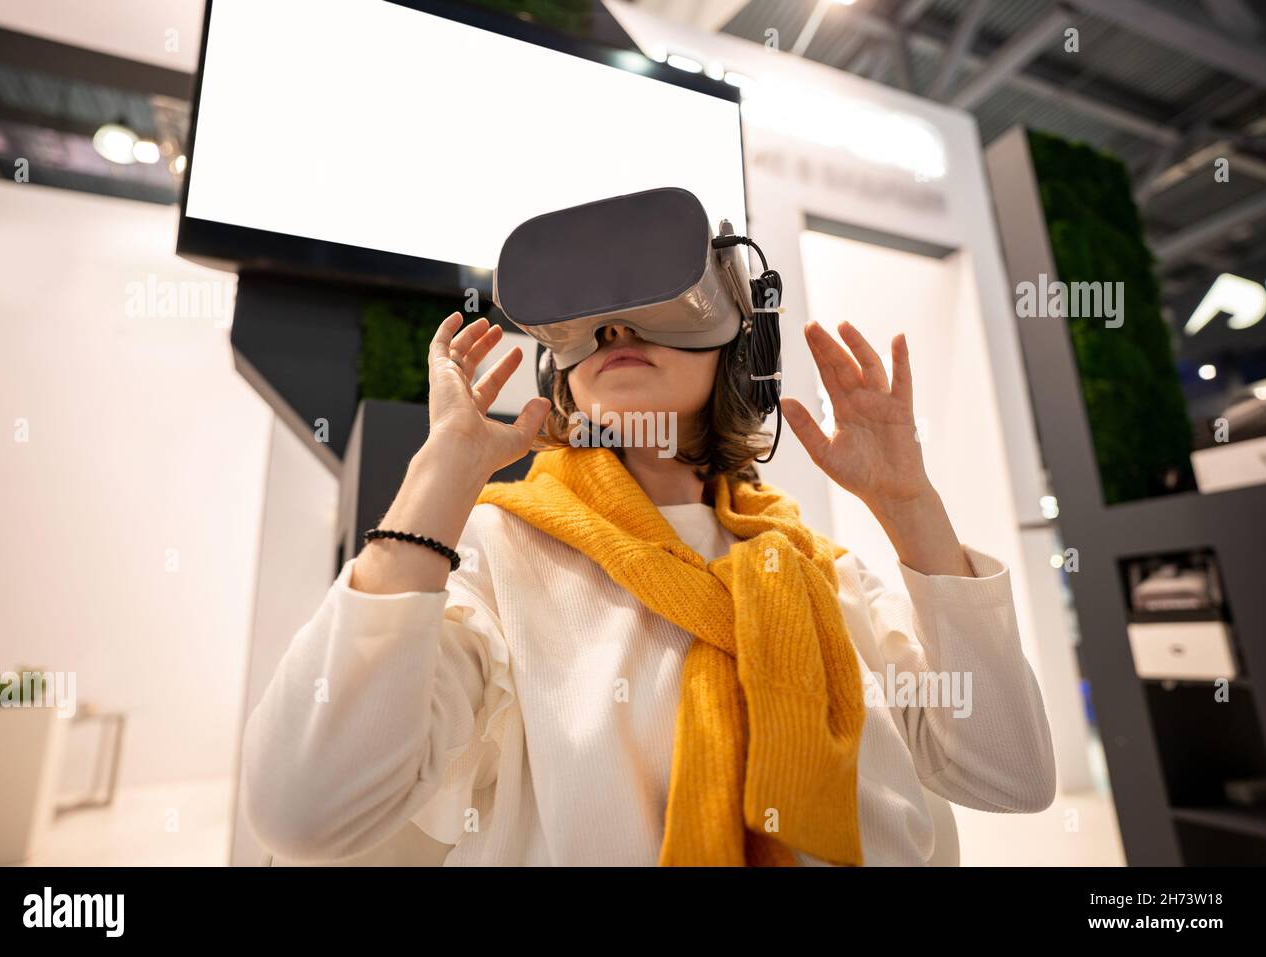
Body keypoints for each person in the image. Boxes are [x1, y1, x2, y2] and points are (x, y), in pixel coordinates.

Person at [240, 310, 1056, 866]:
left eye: (666, 296)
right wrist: (439, 474)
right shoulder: (502, 551)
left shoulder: (820, 568)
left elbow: (1007, 775)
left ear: (735, 345)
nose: (619, 328)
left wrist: (910, 507)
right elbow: (302, 808)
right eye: (593, 312)